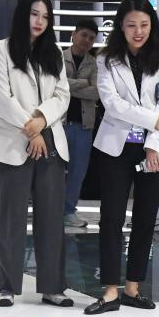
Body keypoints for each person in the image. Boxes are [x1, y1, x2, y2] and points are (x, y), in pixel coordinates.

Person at [84, 0, 159, 315]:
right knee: (111, 217)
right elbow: (113, 105)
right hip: (116, 147)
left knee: (145, 217)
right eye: (131, 25)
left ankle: (133, 288)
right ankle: (110, 291)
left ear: (152, 26)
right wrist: (153, 120)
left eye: (144, 25)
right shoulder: (106, 59)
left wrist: (153, 143)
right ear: (120, 27)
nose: (138, 31)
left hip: (156, 146)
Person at [0, 0, 72, 308]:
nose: (40, 21)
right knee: (10, 218)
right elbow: (2, 98)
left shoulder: (55, 53)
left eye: (46, 16)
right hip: (13, 142)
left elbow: (63, 95)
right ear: (23, 14)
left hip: (50, 140)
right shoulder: (1, 49)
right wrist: (31, 128)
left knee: (51, 219)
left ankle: (53, 287)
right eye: (35, 14)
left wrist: (41, 121)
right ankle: (6, 286)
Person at [62, 18, 100, 228]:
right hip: (59, 124)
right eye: (84, 35)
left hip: (84, 126)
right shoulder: (59, 58)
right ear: (73, 35)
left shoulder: (94, 63)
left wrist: (69, 86)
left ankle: (68, 211)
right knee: (53, 172)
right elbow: (54, 85)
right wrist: (83, 83)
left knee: (78, 172)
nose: (87, 40)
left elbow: (97, 92)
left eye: (91, 38)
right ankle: (50, 211)